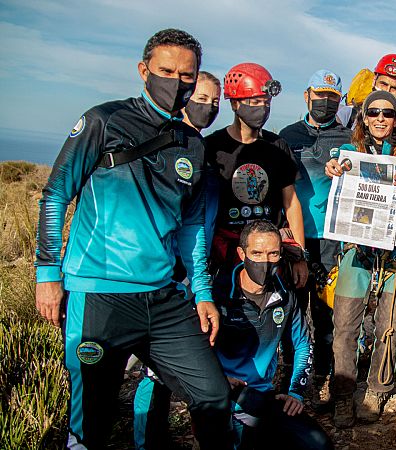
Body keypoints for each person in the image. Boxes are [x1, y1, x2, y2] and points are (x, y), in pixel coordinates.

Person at [34, 28, 232, 449]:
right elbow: (55, 195)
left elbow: (192, 228)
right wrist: (47, 274)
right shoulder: (103, 121)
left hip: (163, 299)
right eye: (165, 71)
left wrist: (201, 292)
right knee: (93, 423)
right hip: (99, 293)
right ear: (143, 71)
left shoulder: (192, 144)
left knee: (213, 396)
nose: (175, 82)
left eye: (186, 75)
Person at [323, 90, 396, 427]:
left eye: (388, 113)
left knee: (389, 329)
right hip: (357, 251)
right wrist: (334, 168)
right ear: (363, 117)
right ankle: (342, 394)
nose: (381, 119)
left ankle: (377, 391)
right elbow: (339, 164)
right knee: (345, 327)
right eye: (374, 113)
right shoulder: (351, 152)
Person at [133, 69, 223, 450]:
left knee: (184, 365)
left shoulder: (201, 147)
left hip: (198, 271)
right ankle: (147, 440)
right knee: (155, 370)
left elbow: (200, 221)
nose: (208, 107)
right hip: (163, 274)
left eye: (215, 102)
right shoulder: (163, 143)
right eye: (201, 99)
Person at [212, 220, 333, 450]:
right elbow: (195, 347)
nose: (264, 261)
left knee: (319, 445)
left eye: (273, 254)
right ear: (241, 253)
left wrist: (295, 392)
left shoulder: (285, 296)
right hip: (219, 397)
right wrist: (216, 378)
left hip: (262, 399)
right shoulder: (218, 294)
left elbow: (303, 345)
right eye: (256, 253)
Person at [279, 69, 352, 410]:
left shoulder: (349, 136)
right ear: (307, 95)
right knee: (292, 308)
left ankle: (322, 371)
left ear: (340, 101)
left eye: (332, 98)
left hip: (332, 238)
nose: (325, 102)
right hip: (295, 236)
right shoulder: (287, 135)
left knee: (325, 311)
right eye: (319, 95)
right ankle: (292, 374)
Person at [205, 62, 308, 288]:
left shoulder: (277, 146)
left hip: (269, 254)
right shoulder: (213, 147)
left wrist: (299, 256)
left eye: (266, 102)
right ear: (234, 103)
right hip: (225, 252)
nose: (262, 108)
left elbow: (291, 204)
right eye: (254, 102)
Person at [337, 53, 396, 129]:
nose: (387, 91)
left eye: (394, 88)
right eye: (383, 84)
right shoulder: (349, 115)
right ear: (374, 80)